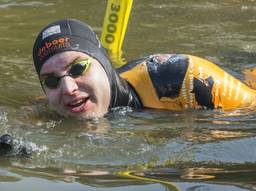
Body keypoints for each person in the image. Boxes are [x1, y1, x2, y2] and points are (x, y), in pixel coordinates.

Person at [32, 19, 256, 119]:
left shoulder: (187, 79)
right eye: (51, 81)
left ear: (104, 63)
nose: (68, 88)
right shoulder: (58, 102)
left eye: (78, 68)